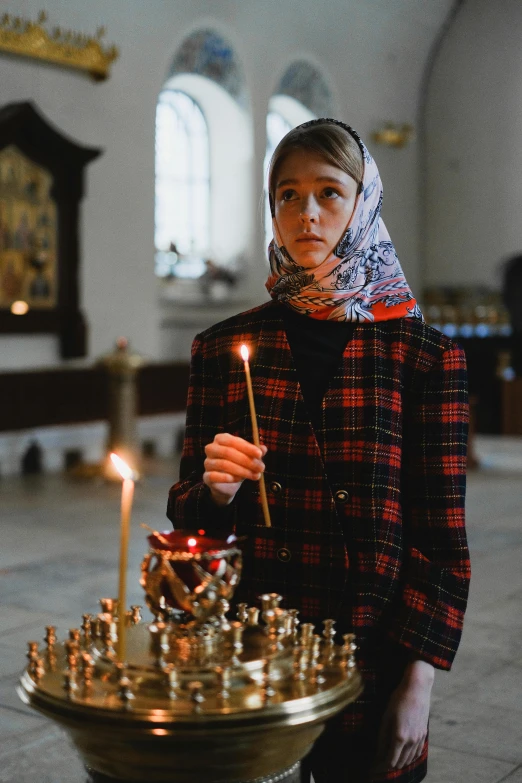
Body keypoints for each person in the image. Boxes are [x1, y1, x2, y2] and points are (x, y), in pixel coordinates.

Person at [167, 119, 470, 783]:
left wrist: (418, 686)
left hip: (371, 660)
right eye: (287, 194)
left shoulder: (424, 356)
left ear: (364, 204)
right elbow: (188, 517)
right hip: (252, 655)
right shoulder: (221, 348)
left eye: (329, 192)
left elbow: (442, 544)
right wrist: (216, 492)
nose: (306, 213)